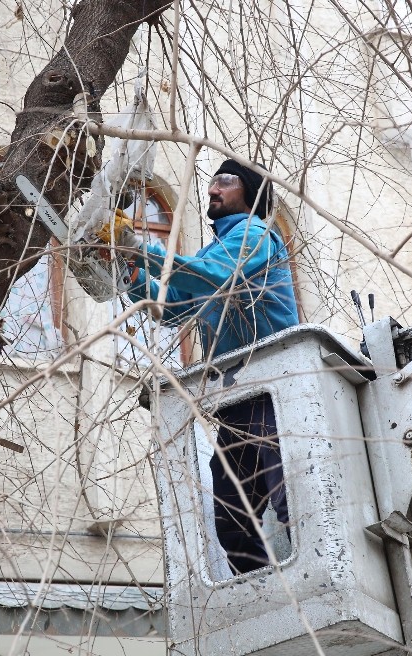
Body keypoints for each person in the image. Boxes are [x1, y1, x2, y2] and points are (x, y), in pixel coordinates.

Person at [106, 159, 299, 574]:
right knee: (232, 519)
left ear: (249, 193)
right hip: (237, 398)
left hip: (273, 390)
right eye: (211, 182)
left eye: (225, 182)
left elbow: (210, 278)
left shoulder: (256, 234)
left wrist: (139, 247)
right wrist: (129, 271)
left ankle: (314, 575)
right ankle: (263, 590)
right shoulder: (217, 250)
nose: (212, 189)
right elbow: (173, 308)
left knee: (290, 499)